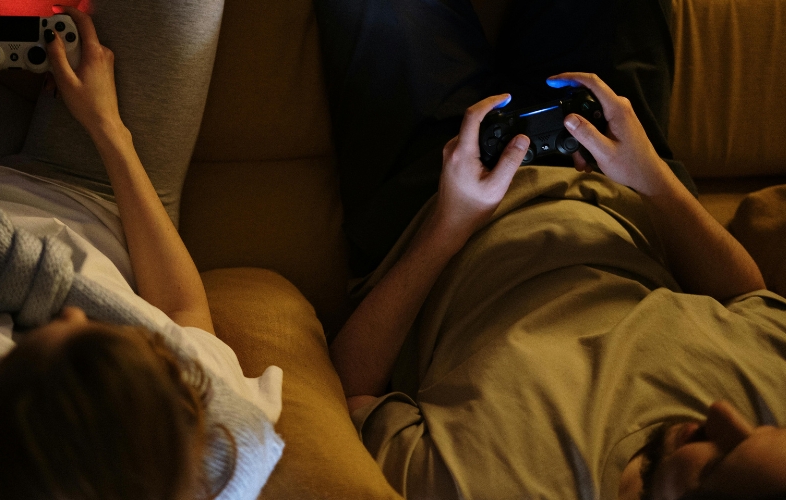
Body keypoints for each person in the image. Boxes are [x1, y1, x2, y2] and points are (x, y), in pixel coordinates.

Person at [316, 0, 786, 498]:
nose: (725, 415)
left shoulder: (481, 485)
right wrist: (653, 182)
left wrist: (449, 224)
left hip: (433, 203)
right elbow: (749, 299)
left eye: (716, 463)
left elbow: (343, 393)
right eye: (763, 432)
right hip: (621, 179)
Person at [0, 4, 282, 499]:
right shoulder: (182, 438)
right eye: (90, 328)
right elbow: (181, 309)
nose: (72, 310)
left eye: (55, 336)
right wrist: (108, 126)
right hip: (101, 188)